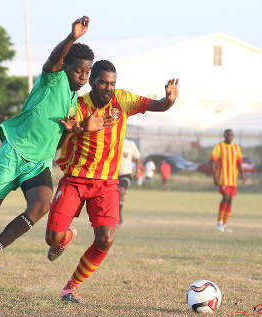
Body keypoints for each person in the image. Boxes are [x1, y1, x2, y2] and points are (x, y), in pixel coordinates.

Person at [0, 16, 111, 276]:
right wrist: (72, 38)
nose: (83, 76)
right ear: (66, 66)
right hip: (13, 155)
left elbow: (59, 143)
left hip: (38, 163)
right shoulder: (52, 79)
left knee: (41, 205)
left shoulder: (74, 102)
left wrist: (75, 129)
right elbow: (54, 59)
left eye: (87, 72)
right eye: (78, 70)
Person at [46, 60, 178, 302]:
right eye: (103, 83)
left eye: (112, 83)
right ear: (93, 82)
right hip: (75, 180)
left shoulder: (123, 100)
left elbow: (157, 105)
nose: (108, 88)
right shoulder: (76, 106)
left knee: (105, 239)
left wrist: (168, 101)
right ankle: (65, 238)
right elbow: (57, 146)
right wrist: (80, 129)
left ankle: (71, 286)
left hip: (106, 184)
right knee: (52, 239)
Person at [211, 129, 244, 233]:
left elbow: (239, 163)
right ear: (224, 135)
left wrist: (242, 175)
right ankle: (219, 222)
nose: (230, 136)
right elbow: (213, 163)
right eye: (228, 134)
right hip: (223, 178)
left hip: (233, 179)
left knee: (230, 200)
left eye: (231, 135)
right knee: (225, 197)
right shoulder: (219, 146)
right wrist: (214, 177)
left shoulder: (236, 148)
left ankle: (225, 224)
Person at [117, 138, 140, 225]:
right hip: (112, 174)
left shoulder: (130, 143)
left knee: (121, 191)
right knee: (113, 196)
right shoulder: (112, 140)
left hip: (125, 174)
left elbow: (137, 157)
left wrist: (137, 172)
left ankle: (119, 214)